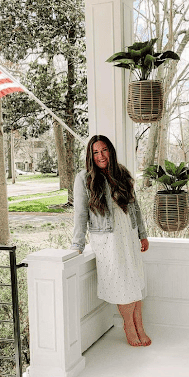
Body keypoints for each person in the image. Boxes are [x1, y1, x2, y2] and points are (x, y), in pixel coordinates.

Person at [70, 135, 151, 347]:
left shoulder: (121, 173)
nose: (100, 156)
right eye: (95, 152)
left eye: (104, 150)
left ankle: (140, 325)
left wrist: (142, 233)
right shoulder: (84, 178)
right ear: (90, 155)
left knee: (133, 280)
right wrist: (77, 245)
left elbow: (135, 206)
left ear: (110, 151)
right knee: (122, 282)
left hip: (128, 233)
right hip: (107, 238)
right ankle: (129, 326)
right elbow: (80, 214)